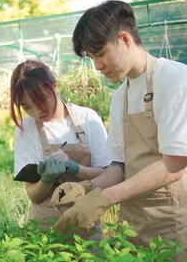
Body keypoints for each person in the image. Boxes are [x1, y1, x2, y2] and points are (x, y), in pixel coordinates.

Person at [52, 0, 187, 261]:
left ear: (125, 39)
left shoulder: (175, 80)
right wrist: (87, 187)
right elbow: (120, 166)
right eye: (92, 58)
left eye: (100, 53)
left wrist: (104, 198)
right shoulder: (121, 97)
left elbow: (173, 166)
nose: (97, 66)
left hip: (180, 216)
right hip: (135, 219)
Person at [10, 59, 111, 240]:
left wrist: (74, 167)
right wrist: (46, 179)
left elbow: (107, 174)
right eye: (26, 106)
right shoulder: (26, 130)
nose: (36, 111)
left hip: (86, 228)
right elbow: (33, 195)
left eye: (41, 100)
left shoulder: (87, 119)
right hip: (43, 233)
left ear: (54, 87)